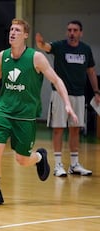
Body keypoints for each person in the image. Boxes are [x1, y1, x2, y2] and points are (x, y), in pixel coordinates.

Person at [0, 18, 78, 206]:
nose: (12, 32)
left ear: (25, 35)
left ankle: (40, 157)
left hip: (25, 116)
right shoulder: (3, 56)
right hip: (4, 112)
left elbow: (56, 80)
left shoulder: (36, 58)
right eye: (11, 29)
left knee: (22, 160)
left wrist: (67, 104)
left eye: (17, 30)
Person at [36, 20, 100, 177]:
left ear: (80, 33)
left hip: (79, 95)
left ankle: (74, 164)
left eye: (75, 30)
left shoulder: (85, 49)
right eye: (69, 30)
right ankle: (58, 164)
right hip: (59, 94)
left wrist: (96, 92)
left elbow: (91, 71)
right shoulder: (59, 46)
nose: (72, 33)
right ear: (67, 32)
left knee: (75, 129)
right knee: (58, 129)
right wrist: (40, 43)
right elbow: (46, 47)